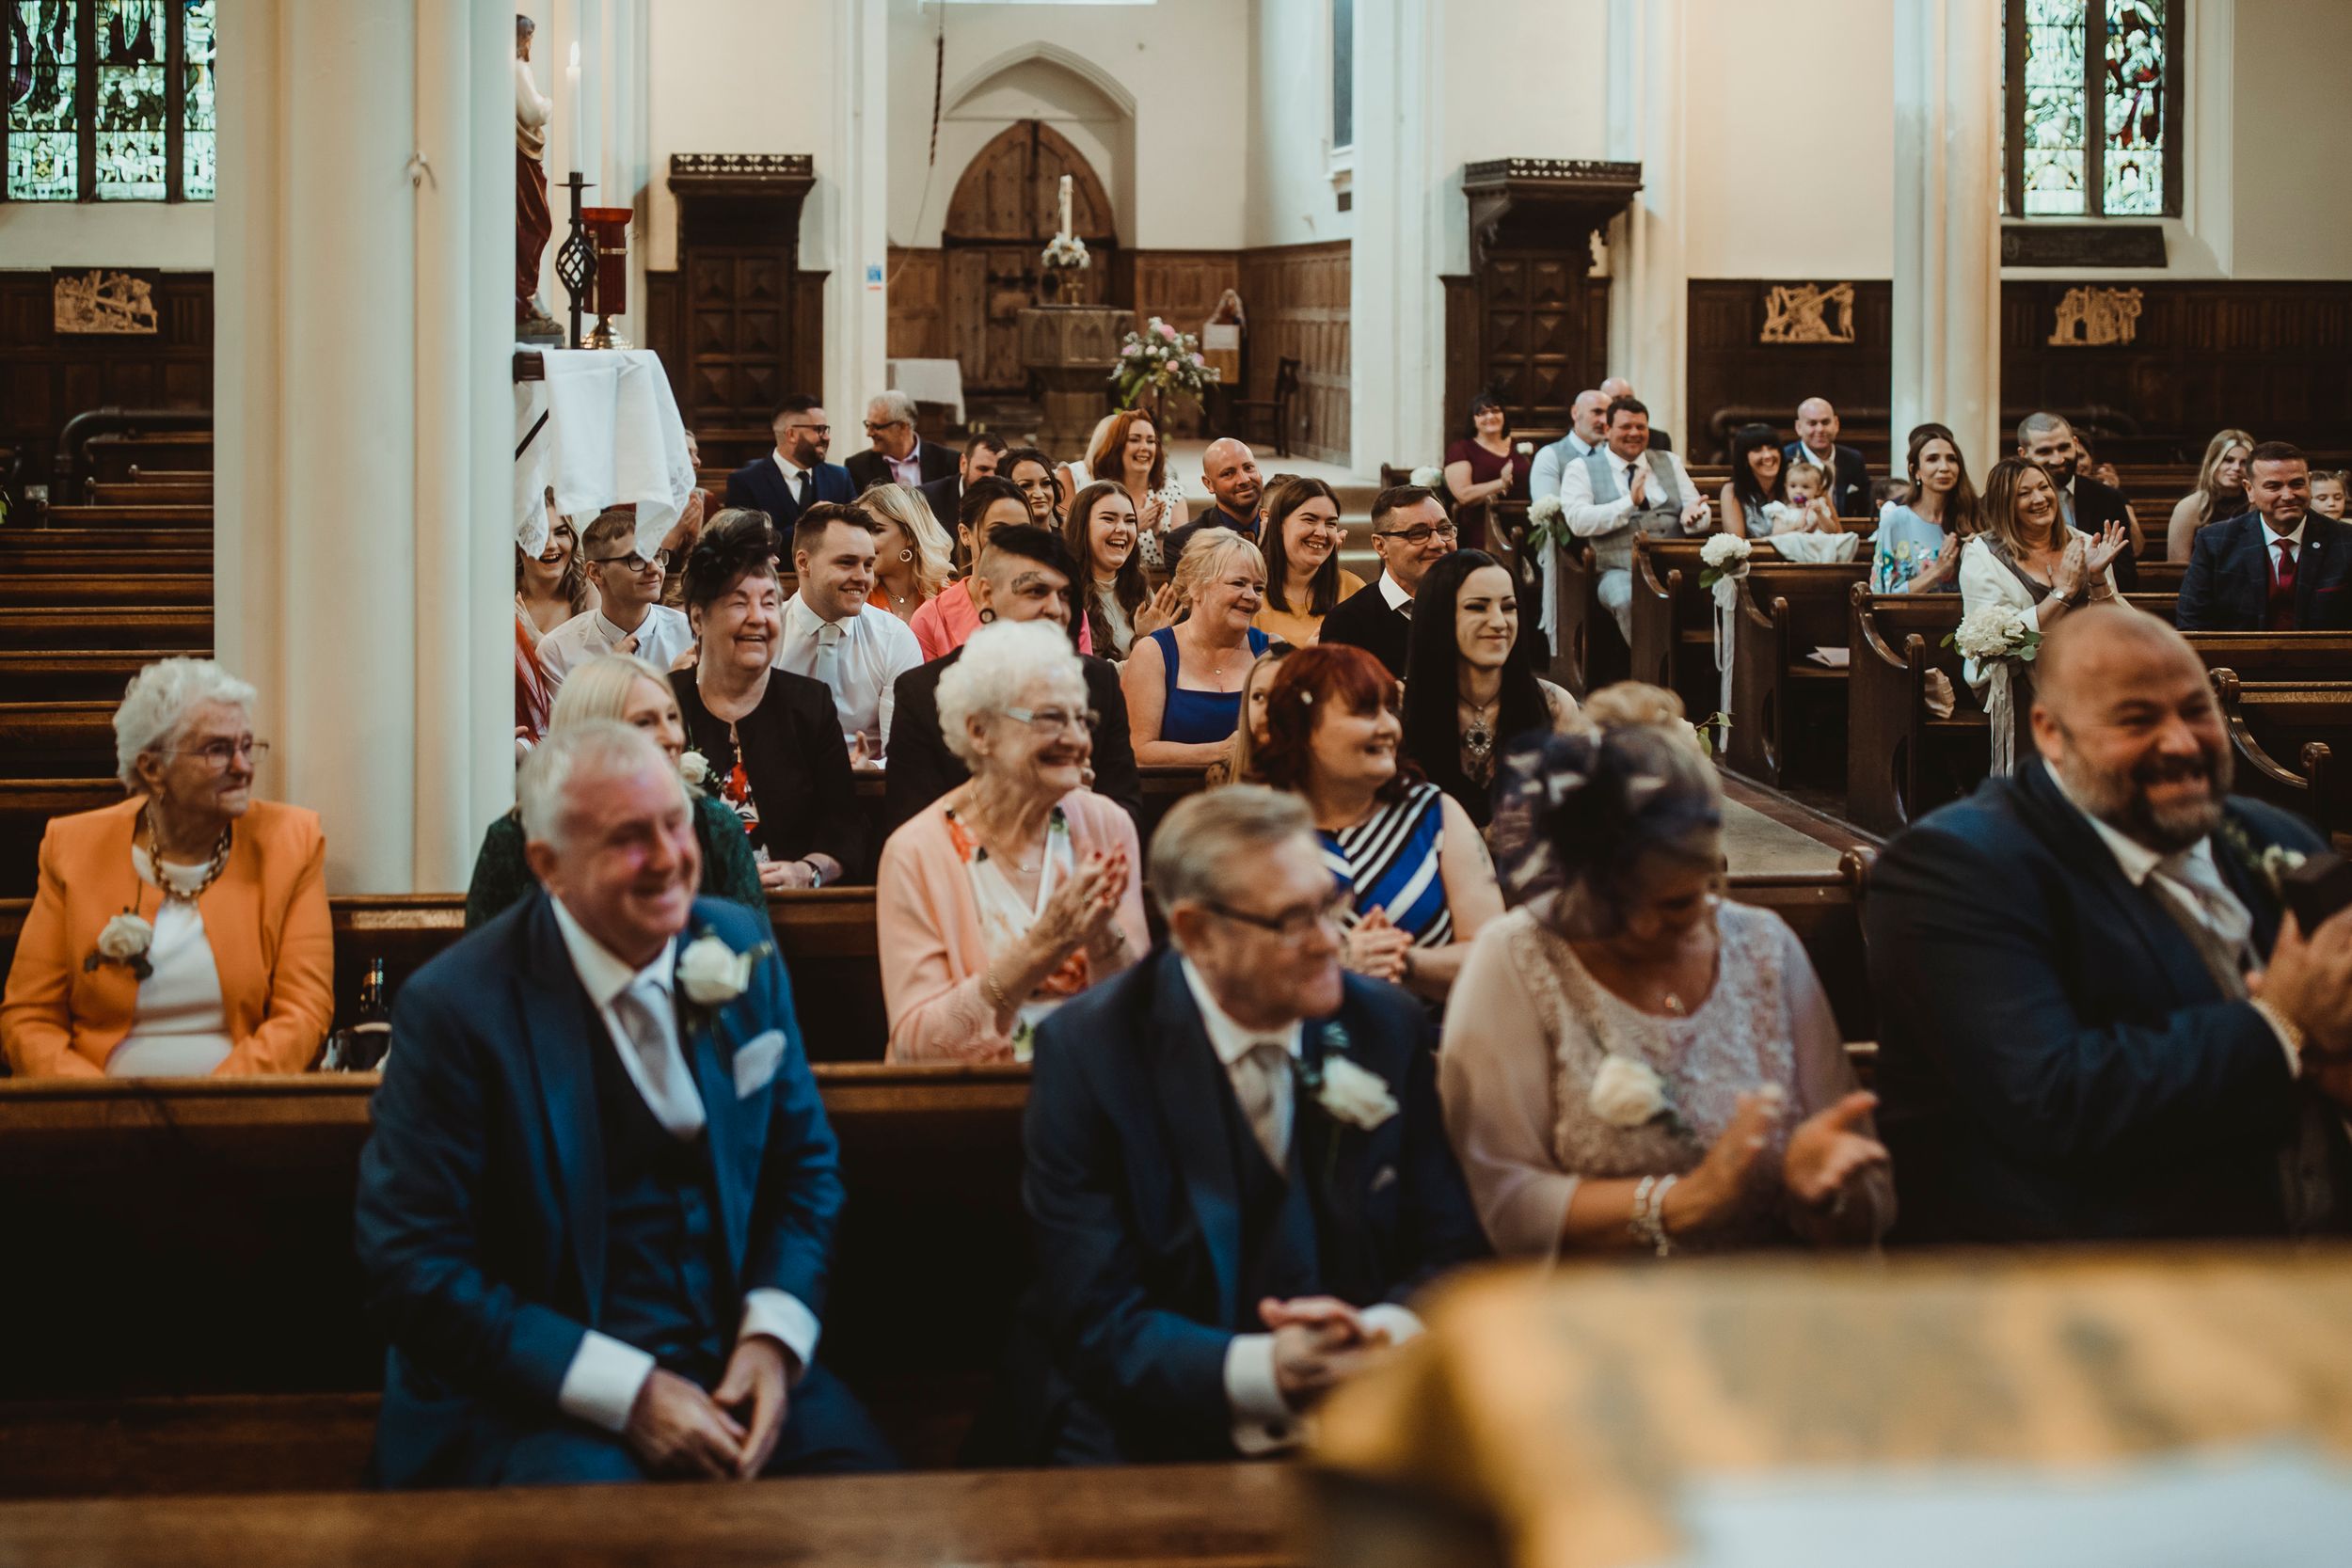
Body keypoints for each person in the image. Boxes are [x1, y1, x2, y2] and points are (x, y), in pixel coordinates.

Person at [356, 722, 896, 1487]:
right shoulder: (458, 1008)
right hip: (540, 1394)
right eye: (628, 838)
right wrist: (627, 1392)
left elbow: (803, 1166)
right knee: (618, 1533)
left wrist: (772, 1336)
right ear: (549, 865)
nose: (670, 857)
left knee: (870, 1507)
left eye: (675, 822)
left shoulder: (737, 944)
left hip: (734, 1355)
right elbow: (415, 1265)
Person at [1006, 785, 1489, 1463]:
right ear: (1197, 932)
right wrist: (1268, 1369)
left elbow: (1453, 1250)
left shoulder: (1383, 1024)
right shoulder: (1093, 1053)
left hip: (1369, 1406)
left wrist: (1379, 1334)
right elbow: (1094, 1314)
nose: (1332, 941)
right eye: (1293, 920)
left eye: (1330, 904)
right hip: (1162, 1424)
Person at [1866, 608, 2352, 1242]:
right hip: (2092, 1271)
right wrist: (2280, 1026)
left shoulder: (2274, 834)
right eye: (2137, 720)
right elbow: (2054, 1099)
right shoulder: (1957, 868)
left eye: (2197, 711)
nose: (2181, 743)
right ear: (2051, 732)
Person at [1438, 719, 1895, 1257]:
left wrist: (1828, 1193)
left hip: (1771, 1283)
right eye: (1614, 905)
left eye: (1681, 902)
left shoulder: (1765, 947)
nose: (1645, 926)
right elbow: (1506, 1204)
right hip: (1592, 1296)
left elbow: (1865, 1187)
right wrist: (1688, 1200)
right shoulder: (1515, 958)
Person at [2, 658, 331, 1078]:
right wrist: (95, 1102)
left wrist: (216, 1100)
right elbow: (28, 1018)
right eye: (218, 750)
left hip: (242, 1104)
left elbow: (304, 1011)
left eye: (247, 746)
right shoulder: (73, 847)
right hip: (98, 1104)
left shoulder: (292, 842)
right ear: (153, 768)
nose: (243, 767)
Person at [877, 622, 1151, 1065]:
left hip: (1093, 1085)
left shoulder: (1106, 826)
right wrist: (1040, 947)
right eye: (1051, 718)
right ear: (980, 731)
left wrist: (1102, 936)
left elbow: (1142, 1015)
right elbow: (917, 1045)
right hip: (972, 1095)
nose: (1077, 740)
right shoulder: (916, 852)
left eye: (1082, 720)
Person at [1256, 646, 1502, 1001]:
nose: (1390, 727)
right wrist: (1336, 962)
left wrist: (1403, 960)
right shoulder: (1261, 833)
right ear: (1304, 727)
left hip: (1433, 1031)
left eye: (1390, 710)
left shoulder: (1434, 814)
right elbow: (1234, 973)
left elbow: (1493, 956)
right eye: (1366, 712)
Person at [467, 655, 763, 928]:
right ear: (591, 733)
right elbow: (486, 953)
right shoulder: (517, 837)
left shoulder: (714, 825)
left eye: (672, 717)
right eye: (645, 722)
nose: (671, 737)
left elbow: (752, 946)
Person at [885, 523, 1142, 833]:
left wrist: (1080, 812)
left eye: (1065, 595)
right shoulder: (924, 692)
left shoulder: (1098, 682)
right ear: (987, 595)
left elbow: (1126, 806)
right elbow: (911, 821)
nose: (1055, 609)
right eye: (1035, 591)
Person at [670, 512, 864, 889]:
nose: (758, 618)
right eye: (739, 602)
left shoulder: (809, 704)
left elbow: (845, 827)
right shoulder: (664, 704)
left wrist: (808, 871)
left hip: (791, 907)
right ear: (697, 618)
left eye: (770, 603)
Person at [1400, 550, 1577, 828]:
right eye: (1477, 607)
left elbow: (1575, 817)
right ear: (1439, 616)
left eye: (1508, 607)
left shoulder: (1555, 706)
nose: (1498, 622)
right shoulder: (1400, 708)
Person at [1959, 457, 2128, 696]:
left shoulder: (2085, 543)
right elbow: (1996, 639)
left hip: (2086, 669)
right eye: (2024, 493)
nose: (2039, 499)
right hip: (2017, 678)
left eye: (2044, 487)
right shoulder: (1982, 555)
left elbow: (2114, 626)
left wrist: (2097, 578)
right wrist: (2063, 592)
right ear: (2004, 504)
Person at [774, 502, 923, 763]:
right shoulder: (769, 632)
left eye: (868, 565)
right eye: (846, 563)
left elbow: (906, 755)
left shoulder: (894, 638)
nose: (862, 577)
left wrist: (871, 770)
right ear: (803, 563)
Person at [1557, 397, 1711, 643]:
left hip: (1676, 566)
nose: (1634, 433)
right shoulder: (1581, 468)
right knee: (1628, 600)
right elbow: (1578, 521)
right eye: (1626, 426)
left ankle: (1705, 663)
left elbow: (1697, 508)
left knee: (1717, 589)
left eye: (1641, 427)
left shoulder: (1668, 461)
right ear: (1607, 429)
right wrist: (1630, 502)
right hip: (1618, 570)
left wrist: (1694, 518)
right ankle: (1650, 664)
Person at [1122, 529, 1273, 765]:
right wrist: (1220, 752)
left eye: (1258, 588)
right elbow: (1138, 751)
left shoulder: (1272, 651)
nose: (1252, 596)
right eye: (1238, 583)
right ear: (1195, 586)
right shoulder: (1153, 653)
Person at [2177, 442, 2352, 632]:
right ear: (2250, 490)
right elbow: (2192, 620)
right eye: (2273, 486)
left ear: (2309, 483)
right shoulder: (2215, 542)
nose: (2288, 495)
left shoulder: (2346, 539)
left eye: (2297, 484)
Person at [536, 508, 696, 686]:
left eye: (657, 556)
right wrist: (606, 682)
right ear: (595, 572)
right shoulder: (558, 651)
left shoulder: (692, 633)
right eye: (636, 559)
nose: (654, 569)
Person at [1319, 485, 1455, 679]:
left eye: (1444, 529)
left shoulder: (1472, 606)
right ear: (1381, 546)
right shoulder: (1347, 623)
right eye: (1417, 533)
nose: (1438, 543)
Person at [911, 477, 1032, 660]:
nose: (1013, 541)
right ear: (965, 534)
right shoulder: (931, 619)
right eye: (997, 530)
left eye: (1023, 531)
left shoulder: (1052, 606)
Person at [1528, 389, 1612, 650]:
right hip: (1572, 548)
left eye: (1608, 414)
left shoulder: (1616, 454)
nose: (1604, 420)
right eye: (1597, 412)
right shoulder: (1551, 455)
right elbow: (1551, 512)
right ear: (1576, 413)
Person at [2019, 412, 2140, 591]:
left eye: (2064, 448)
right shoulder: (2010, 502)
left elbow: (2126, 577)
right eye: (2045, 451)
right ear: (2023, 454)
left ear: (2075, 443)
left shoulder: (2109, 498)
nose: (2058, 459)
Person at [1066, 480, 1178, 661]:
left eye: (1130, 521)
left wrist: (1154, 641)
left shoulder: (1140, 589)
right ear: (1082, 526)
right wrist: (1146, 646)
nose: (1122, 529)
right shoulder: (1064, 595)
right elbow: (1082, 671)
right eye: (1108, 519)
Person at [1252, 476, 1365, 646]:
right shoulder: (1251, 592)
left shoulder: (1353, 590)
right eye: (1309, 520)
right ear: (1280, 524)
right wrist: (1307, 657)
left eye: (1330, 523)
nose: (1321, 532)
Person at [1870, 424, 1979, 594]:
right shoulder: (1896, 521)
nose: (1944, 467)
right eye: (1932, 459)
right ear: (1915, 471)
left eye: (1951, 459)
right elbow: (1882, 596)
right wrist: (1937, 571)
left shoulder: (1974, 518)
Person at [723, 396, 854, 529]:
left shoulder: (840, 478)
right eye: (818, 429)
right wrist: (808, 525)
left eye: (826, 429)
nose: (827, 437)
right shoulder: (745, 482)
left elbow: (854, 529)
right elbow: (744, 537)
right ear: (791, 434)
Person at [1084, 407, 1190, 569]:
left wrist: (1159, 531)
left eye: (1150, 441)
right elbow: (1086, 554)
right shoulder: (1097, 493)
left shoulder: (1172, 492)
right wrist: (1133, 527)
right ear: (1118, 446)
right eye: (1134, 440)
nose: (1144, 447)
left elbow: (1182, 566)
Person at [856, 483, 956, 631]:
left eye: (876, 530)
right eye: (860, 531)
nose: (863, 540)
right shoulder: (855, 597)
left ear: (910, 536)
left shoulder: (952, 597)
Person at [1443, 393, 1533, 547]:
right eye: (1482, 413)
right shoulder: (1461, 450)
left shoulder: (1522, 447)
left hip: (1524, 525)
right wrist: (1501, 483)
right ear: (1473, 419)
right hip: (1482, 528)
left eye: (1496, 411)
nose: (1490, 416)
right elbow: (1464, 495)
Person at [1204, 644, 1294, 789]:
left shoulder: (1318, 776)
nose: (1267, 710)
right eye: (1258, 697)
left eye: (1281, 696)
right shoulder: (1223, 774)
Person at [1164, 437, 1265, 562]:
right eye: (1228, 473)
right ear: (1209, 484)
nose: (1244, 479)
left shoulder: (1282, 528)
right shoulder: (1183, 543)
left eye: (1248, 468)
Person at [2166, 428, 2255, 562]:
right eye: (2228, 460)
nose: (2236, 467)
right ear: (2213, 462)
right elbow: (2177, 567)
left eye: (2244, 462)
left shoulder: (2256, 506)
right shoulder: (2189, 507)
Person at [844, 389, 957, 492]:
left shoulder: (949, 461)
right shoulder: (857, 466)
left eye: (876, 427)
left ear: (902, 426)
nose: (869, 433)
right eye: (868, 425)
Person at [517, 509, 596, 644]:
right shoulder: (502, 594)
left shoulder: (587, 593)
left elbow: (599, 656)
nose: (552, 545)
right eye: (538, 534)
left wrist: (536, 638)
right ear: (518, 544)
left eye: (561, 533)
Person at [1783, 397, 1870, 518]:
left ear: (1836, 424)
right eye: (1812, 423)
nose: (1820, 429)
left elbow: (1866, 506)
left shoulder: (1853, 459)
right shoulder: (1785, 458)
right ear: (1799, 427)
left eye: (1825, 422)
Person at [917, 431, 1007, 531]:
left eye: (999, 471)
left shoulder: (1013, 502)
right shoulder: (926, 500)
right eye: (983, 469)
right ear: (963, 464)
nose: (992, 477)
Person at [1718, 423, 1787, 540]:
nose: (1767, 455)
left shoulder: (1794, 483)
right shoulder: (1732, 491)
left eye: (1772, 447)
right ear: (1744, 458)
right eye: (1757, 450)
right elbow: (1737, 542)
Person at [1001, 446, 1066, 534]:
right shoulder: (997, 542)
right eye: (1026, 485)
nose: (1039, 494)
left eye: (1046, 483)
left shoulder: (1070, 540)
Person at [1597, 377, 1673, 451]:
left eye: (1628, 398)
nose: (1624, 403)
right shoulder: (1595, 437)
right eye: (1616, 399)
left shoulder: (1658, 439)